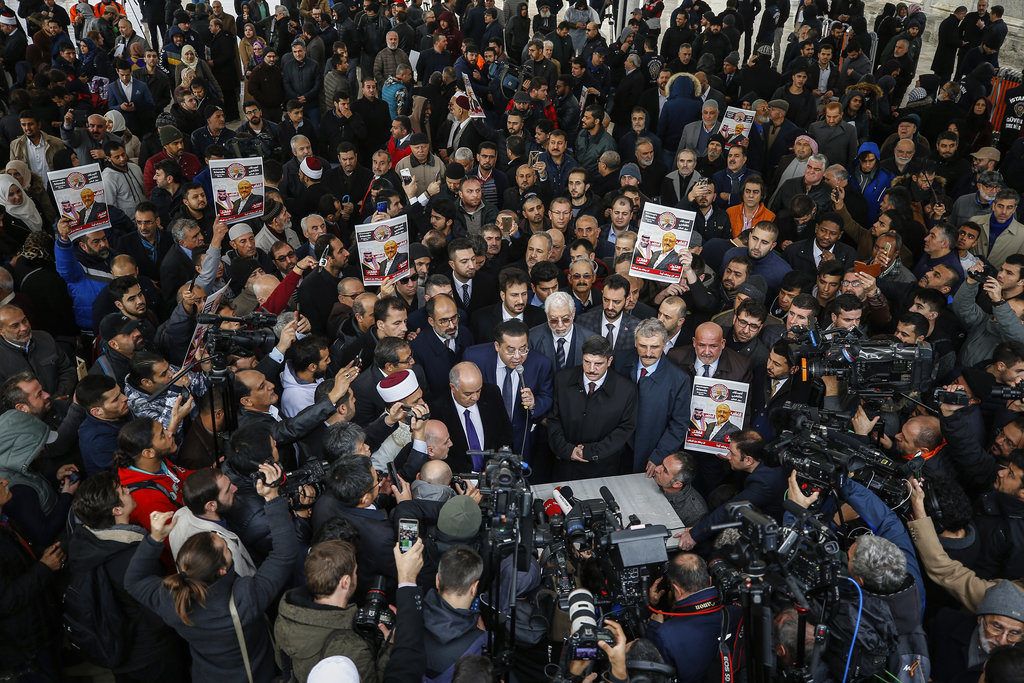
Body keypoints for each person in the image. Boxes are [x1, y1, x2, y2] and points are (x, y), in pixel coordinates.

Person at [125, 462, 297, 681]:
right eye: (226, 549)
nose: (226, 543)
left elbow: (133, 581)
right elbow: (284, 556)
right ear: (223, 571)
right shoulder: (245, 599)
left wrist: (155, 538)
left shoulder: (171, 600)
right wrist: (273, 498)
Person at [548, 335, 637, 479]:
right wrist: (567, 450)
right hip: (564, 465)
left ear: (609, 361)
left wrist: (591, 452)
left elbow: (625, 429)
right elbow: (553, 419)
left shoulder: (626, 390)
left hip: (603, 469)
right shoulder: (562, 379)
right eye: (587, 362)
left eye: (598, 364)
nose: (591, 369)